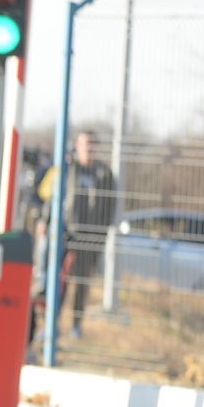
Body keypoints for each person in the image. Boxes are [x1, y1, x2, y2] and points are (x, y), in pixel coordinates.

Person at [55, 129, 117, 339]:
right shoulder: (70, 169)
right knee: (61, 281)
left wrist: (102, 236)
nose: (88, 148)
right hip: (69, 235)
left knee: (82, 285)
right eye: (85, 143)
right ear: (77, 145)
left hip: (92, 238)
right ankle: (53, 324)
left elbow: (110, 208)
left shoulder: (104, 173)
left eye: (92, 144)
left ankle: (76, 326)